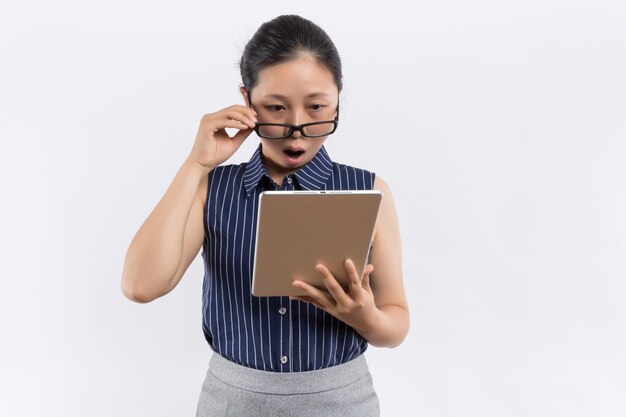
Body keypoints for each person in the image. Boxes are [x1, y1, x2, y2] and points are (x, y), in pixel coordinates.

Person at [121, 14, 409, 417]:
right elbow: (140, 285)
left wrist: (366, 318)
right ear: (247, 101)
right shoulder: (212, 189)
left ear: (339, 96)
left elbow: (397, 321)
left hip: (343, 403)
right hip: (232, 404)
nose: (296, 128)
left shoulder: (370, 190)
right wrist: (195, 165)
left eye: (316, 107)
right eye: (276, 107)